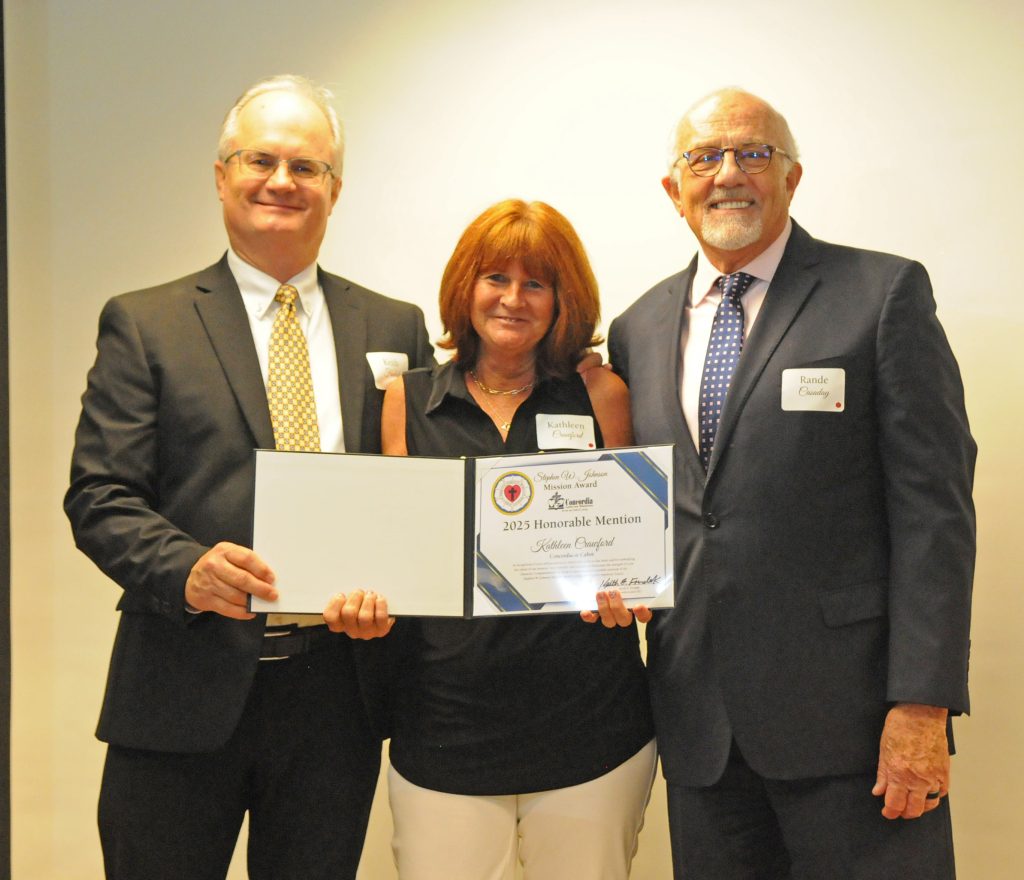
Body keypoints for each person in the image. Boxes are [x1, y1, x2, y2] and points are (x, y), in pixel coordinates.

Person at [63, 75, 433, 880]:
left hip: (336, 698)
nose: (281, 181)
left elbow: (417, 497)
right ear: (222, 174)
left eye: (306, 167)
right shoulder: (146, 322)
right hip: (180, 685)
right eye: (260, 160)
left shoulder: (395, 326)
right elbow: (99, 496)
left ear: (335, 188)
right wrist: (186, 568)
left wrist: (394, 586)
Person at [607, 88, 976, 878]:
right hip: (700, 730)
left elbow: (934, 513)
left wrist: (922, 704)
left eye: (753, 153)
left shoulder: (880, 294)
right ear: (674, 189)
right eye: (704, 157)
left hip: (854, 729)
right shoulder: (636, 328)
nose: (728, 174)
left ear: (791, 177)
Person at [377, 199, 656, 880]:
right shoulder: (408, 399)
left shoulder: (600, 394)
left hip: (590, 727)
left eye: (536, 283)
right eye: (495, 278)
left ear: (564, 299)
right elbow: (398, 552)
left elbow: (628, 540)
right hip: (445, 725)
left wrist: (630, 588)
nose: (512, 299)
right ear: (464, 287)